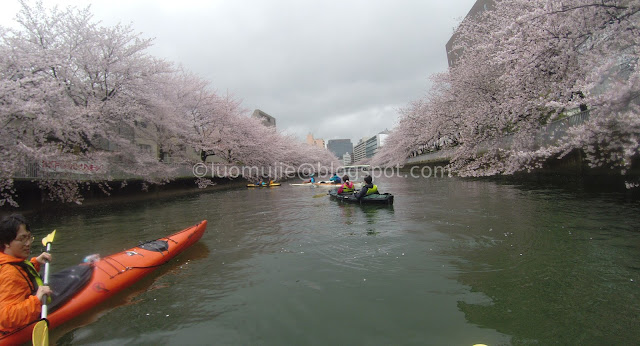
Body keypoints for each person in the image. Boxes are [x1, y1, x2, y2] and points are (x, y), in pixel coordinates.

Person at [0, 214, 52, 334]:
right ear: (6, 243)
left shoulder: (8, 260)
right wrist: (37, 299)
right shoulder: (9, 273)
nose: (28, 243)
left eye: (29, 238)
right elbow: (6, 318)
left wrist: (35, 263)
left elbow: (20, 277)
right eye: (22, 239)